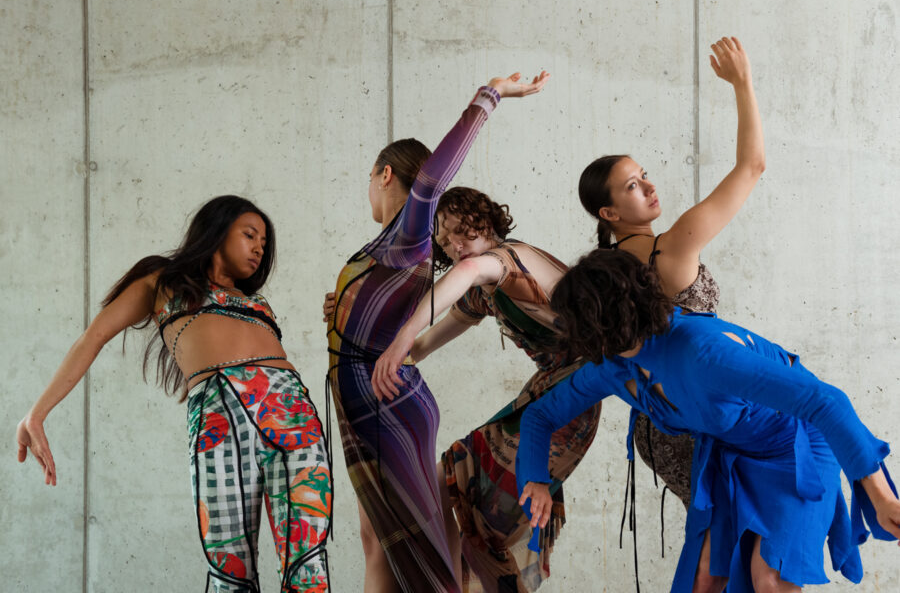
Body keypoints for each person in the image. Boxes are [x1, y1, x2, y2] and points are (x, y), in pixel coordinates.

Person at [517, 249, 900, 592]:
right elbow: (540, 414)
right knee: (703, 578)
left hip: (797, 447)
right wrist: (536, 479)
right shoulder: (614, 365)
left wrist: (882, 497)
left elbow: (826, 401)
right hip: (731, 454)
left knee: (770, 579)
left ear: (597, 322)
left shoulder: (702, 351)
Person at [16, 195, 331, 592]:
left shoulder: (257, 302)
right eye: (250, 235)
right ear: (216, 231)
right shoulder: (162, 282)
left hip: (292, 412)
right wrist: (37, 413)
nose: (258, 248)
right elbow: (93, 337)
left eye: (264, 243)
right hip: (219, 416)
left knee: (307, 562)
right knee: (229, 568)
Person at [323, 72, 549, 593]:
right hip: (370, 399)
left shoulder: (409, 233)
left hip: (385, 403)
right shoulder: (391, 244)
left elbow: (430, 184)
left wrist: (489, 97)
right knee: (377, 539)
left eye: (370, 178)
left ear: (384, 173)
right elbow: (384, 320)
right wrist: (342, 312)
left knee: (417, 549)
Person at [371, 186, 599, 591]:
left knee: (483, 511)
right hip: (544, 393)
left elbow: (467, 274)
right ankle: (452, 584)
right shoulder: (484, 289)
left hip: (573, 397)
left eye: (461, 229)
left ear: (487, 221)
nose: (455, 245)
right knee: (443, 481)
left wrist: (402, 339)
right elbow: (426, 344)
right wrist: (373, 339)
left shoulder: (507, 259)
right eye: (445, 241)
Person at [577, 36, 765, 507]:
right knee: (742, 535)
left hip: (656, 425)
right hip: (704, 414)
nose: (649, 187)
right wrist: (742, 82)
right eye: (633, 186)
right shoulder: (673, 247)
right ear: (609, 213)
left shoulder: (602, 275)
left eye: (644, 175)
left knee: (717, 534)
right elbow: (752, 166)